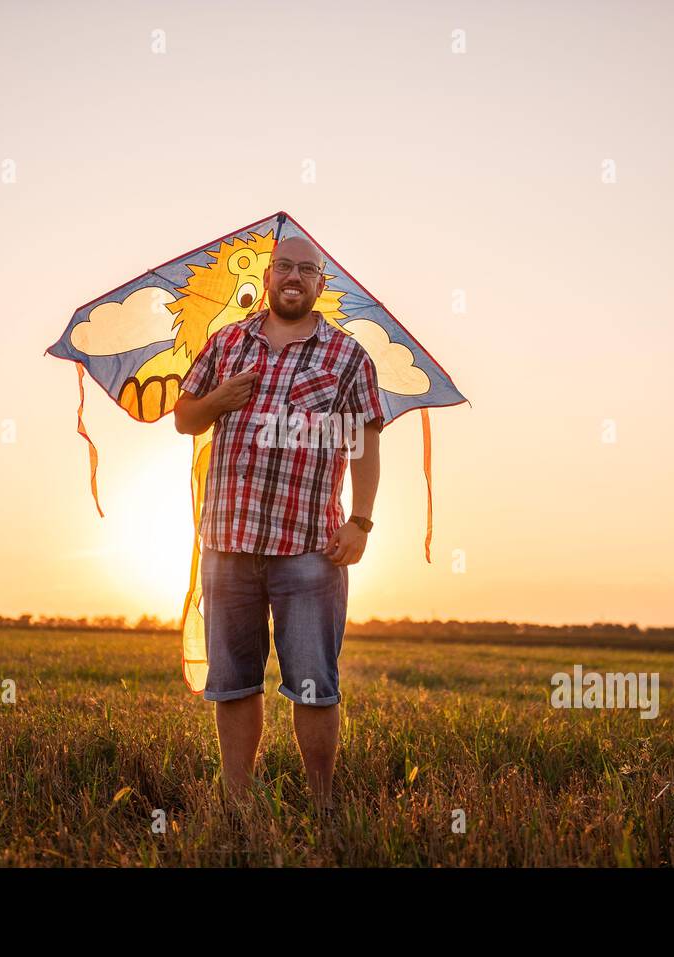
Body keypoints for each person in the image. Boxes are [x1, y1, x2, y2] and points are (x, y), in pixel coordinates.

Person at [173, 236, 383, 815]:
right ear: (268, 278)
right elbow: (185, 420)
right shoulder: (227, 342)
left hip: (310, 547)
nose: (294, 277)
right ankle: (236, 801)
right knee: (234, 681)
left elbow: (365, 441)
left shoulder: (347, 357)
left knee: (315, 682)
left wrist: (361, 521)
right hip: (228, 541)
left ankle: (321, 804)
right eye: (284, 267)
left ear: (321, 284)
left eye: (307, 270)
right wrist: (220, 398)